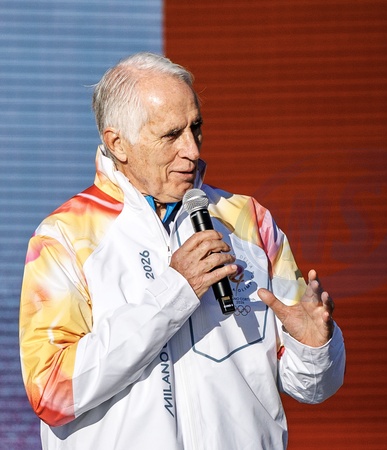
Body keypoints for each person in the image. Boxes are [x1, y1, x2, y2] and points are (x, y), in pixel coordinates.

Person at [19, 52, 346, 449]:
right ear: (118, 144)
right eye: (171, 135)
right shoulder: (65, 236)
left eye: (196, 127)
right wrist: (175, 291)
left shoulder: (249, 221)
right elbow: (51, 391)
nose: (192, 150)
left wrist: (314, 348)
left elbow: (311, 387)